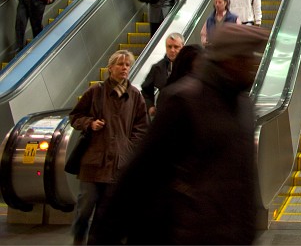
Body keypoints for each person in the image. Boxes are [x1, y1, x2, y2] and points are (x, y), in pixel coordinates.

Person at [91, 25, 269, 245]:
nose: (252, 64)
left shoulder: (243, 106)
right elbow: (141, 171)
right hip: (187, 233)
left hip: (229, 234)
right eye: (245, 58)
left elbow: (244, 178)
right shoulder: (186, 101)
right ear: (227, 59)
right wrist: (106, 234)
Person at [68, 50, 148, 245]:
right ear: (110, 68)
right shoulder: (95, 92)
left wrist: (129, 146)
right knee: (86, 206)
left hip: (118, 164)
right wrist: (89, 123)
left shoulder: (135, 96)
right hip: (93, 161)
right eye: (120, 64)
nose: (124, 68)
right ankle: (79, 233)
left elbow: (142, 127)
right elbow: (74, 117)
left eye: (127, 65)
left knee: (106, 212)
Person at [141, 32, 185, 117]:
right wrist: (150, 106)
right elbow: (146, 90)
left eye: (176, 47)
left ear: (182, 47)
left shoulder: (189, 66)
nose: (172, 50)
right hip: (164, 114)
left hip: (185, 114)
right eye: (169, 47)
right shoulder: (157, 68)